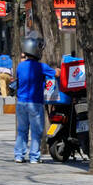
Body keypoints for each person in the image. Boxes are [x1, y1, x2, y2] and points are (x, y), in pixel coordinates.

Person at [14, 34, 57, 164]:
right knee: (36, 131)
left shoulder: (20, 66)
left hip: (21, 102)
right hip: (35, 103)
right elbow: (57, 73)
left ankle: (19, 155)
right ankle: (34, 157)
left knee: (22, 130)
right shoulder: (41, 67)